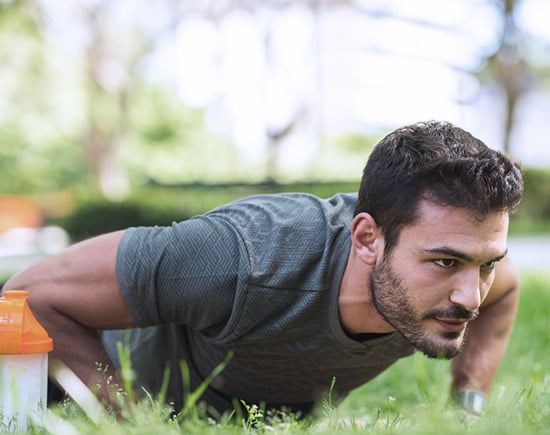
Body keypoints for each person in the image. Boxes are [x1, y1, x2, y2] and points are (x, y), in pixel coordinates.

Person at [3, 121, 523, 418]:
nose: (470, 296)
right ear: (368, 239)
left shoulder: (462, 274)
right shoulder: (241, 258)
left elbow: (504, 292)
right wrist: (135, 431)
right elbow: (31, 293)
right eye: (445, 263)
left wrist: (467, 407)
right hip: (65, 382)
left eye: (484, 265)